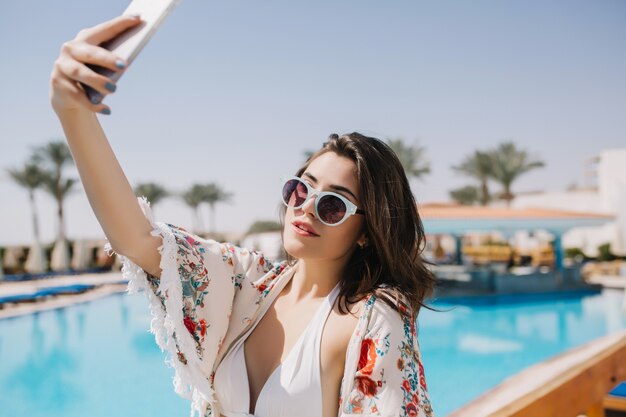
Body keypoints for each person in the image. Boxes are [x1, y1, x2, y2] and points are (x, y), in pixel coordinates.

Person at [49, 13, 437, 417]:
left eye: (333, 205)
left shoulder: (373, 321)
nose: (305, 207)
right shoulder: (248, 284)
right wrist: (73, 114)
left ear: (366, 232)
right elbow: (138, 240)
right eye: (301, 188)